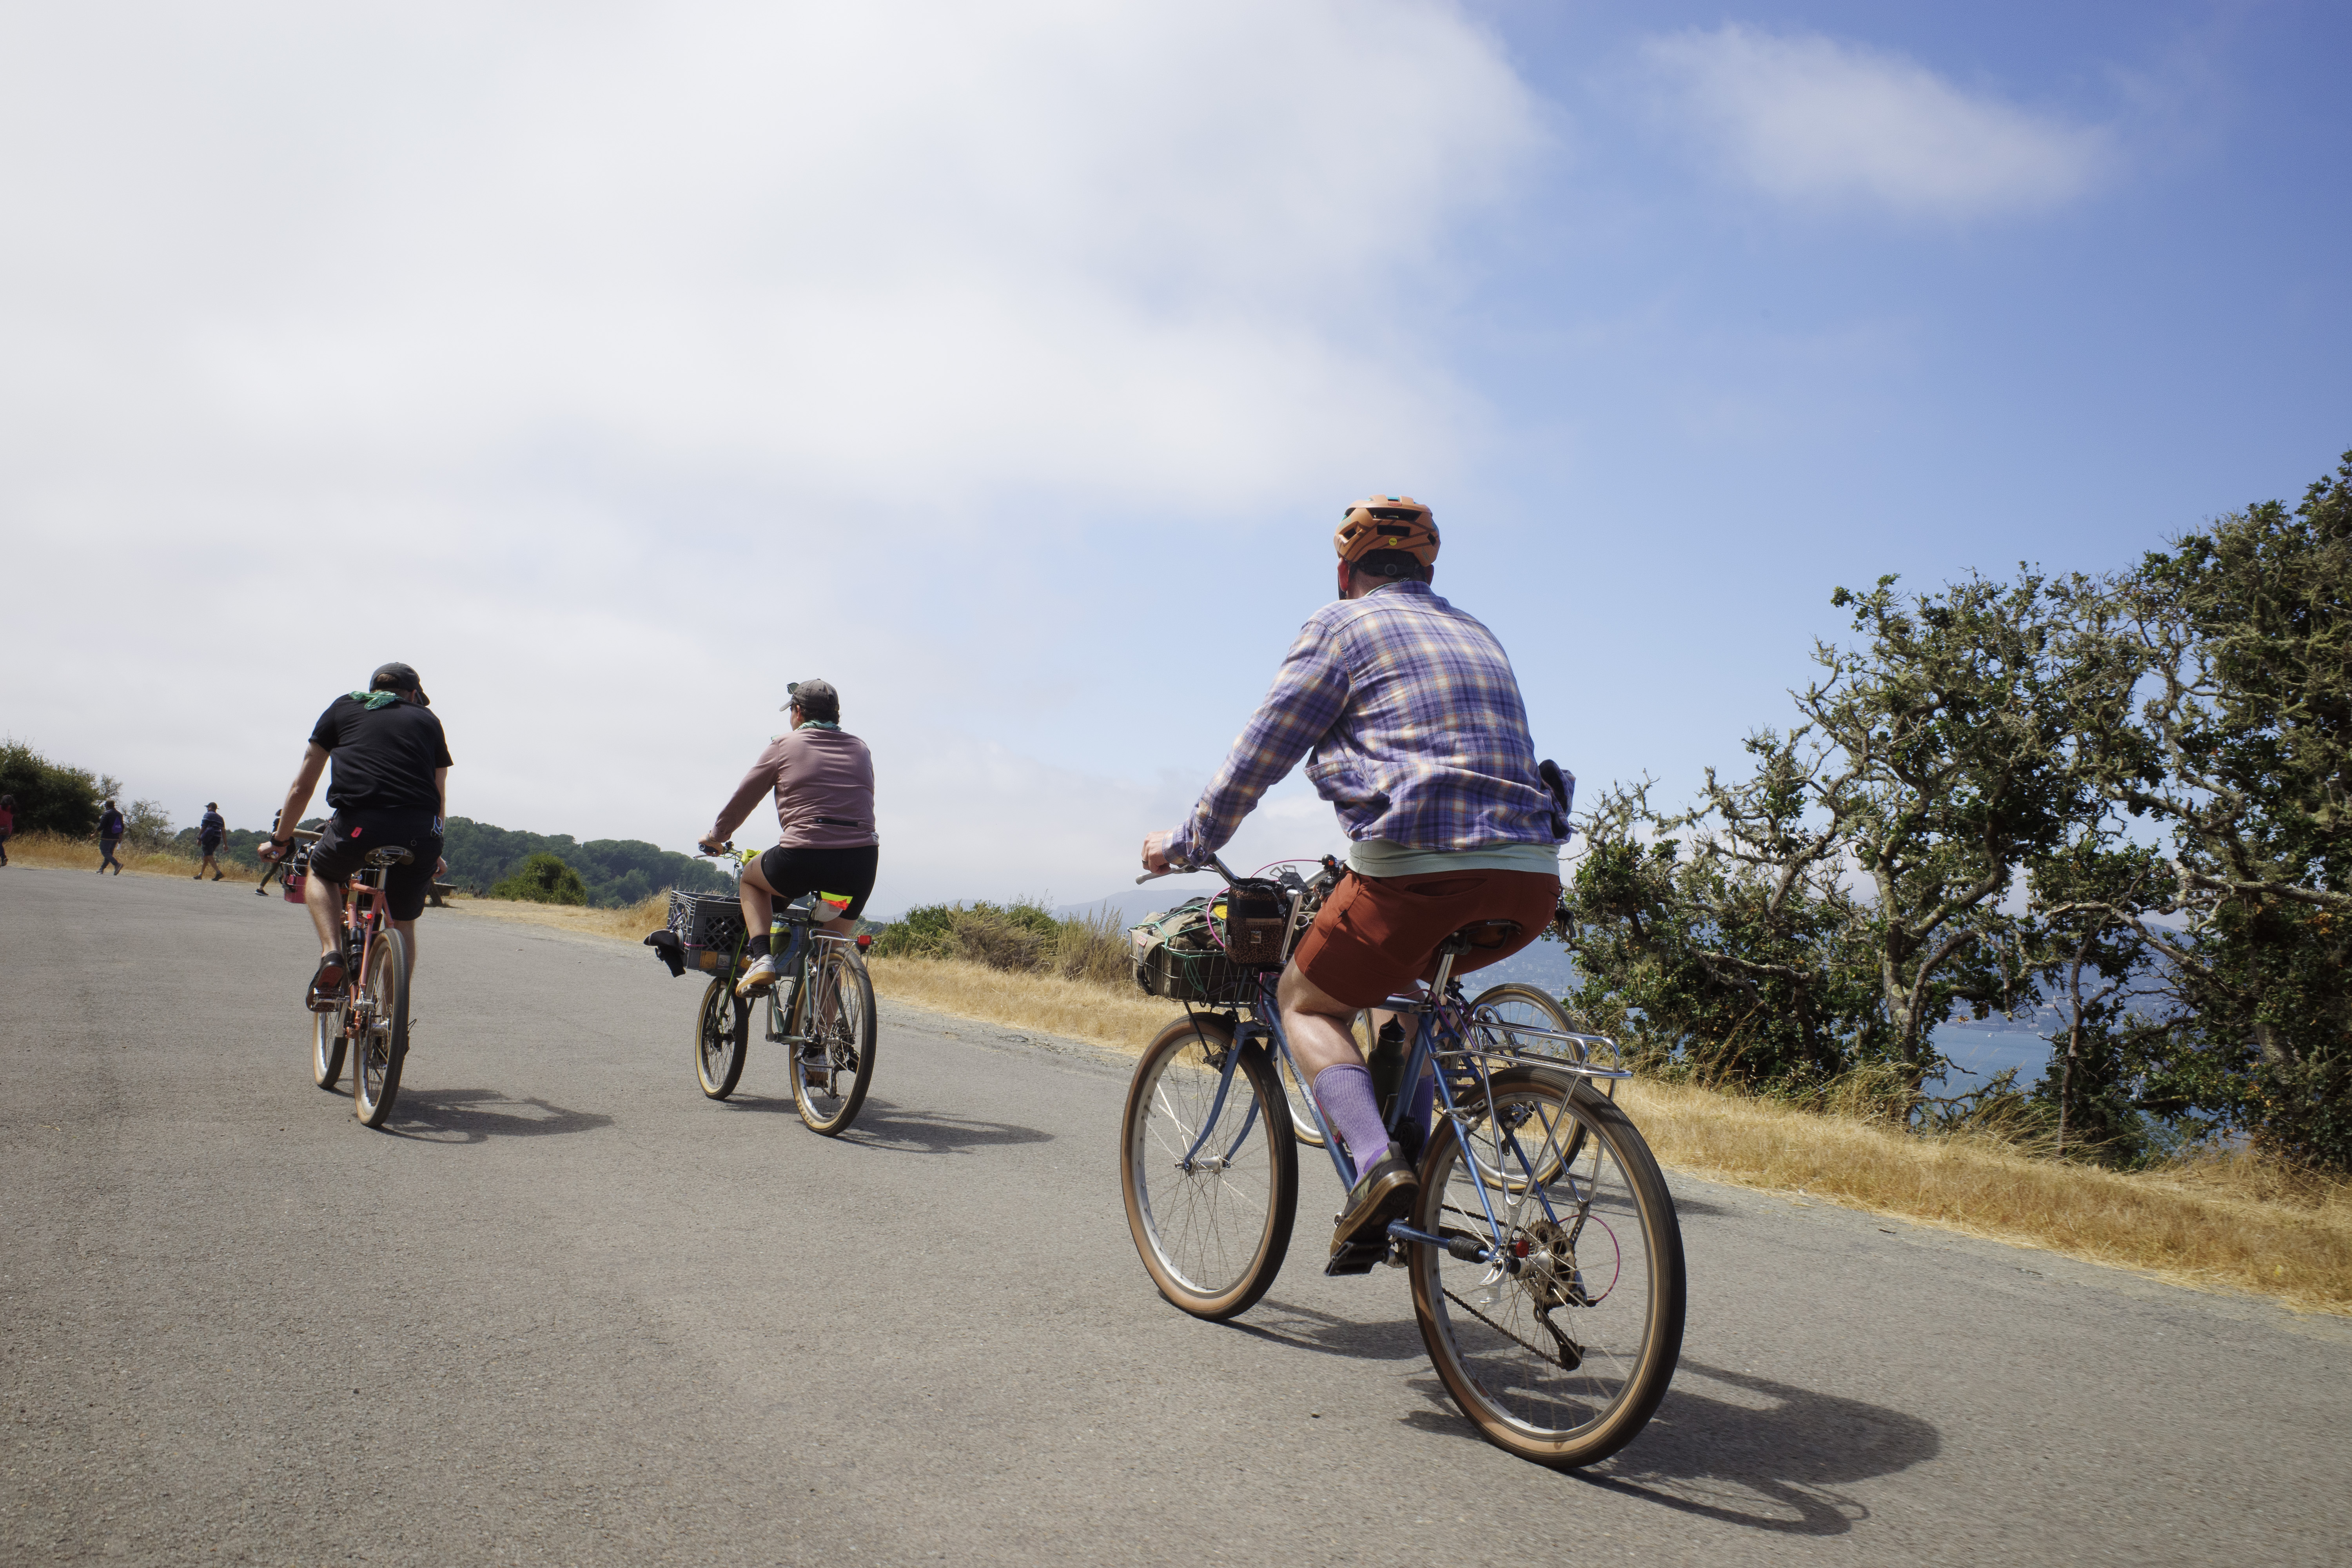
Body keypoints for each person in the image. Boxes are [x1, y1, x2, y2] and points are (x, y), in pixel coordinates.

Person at [1141, 496, 1566, 1259]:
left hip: (1416, 869)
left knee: (1304, 999)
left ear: (1346, 571)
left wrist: (1186, 842)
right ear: (1428, 569)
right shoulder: (1478, 631)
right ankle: (1413, 1179)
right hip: (1532, 875)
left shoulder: (1339, 627)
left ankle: (1377, 1169)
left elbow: (1258, 755)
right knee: (1401, 991)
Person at [256, 662, 452, 1008]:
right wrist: (432, 848)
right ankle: (391, 1024)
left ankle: (332, 953)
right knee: (403, 922)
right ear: (413, 695)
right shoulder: (429, 721)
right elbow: (438, 794)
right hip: (421, 833)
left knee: (322, 870)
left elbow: (303, 785)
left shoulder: (344, 707)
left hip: (361, 824)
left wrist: (281, 839)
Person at [698, 679, 879, 1009]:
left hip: (802, 857)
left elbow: (744, 799)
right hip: (859, 864)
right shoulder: (861, 748)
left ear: (797, 712)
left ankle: (762, 958)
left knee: (752, 879)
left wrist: (717, 837)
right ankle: (818, 1053)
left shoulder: (783, 745)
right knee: (831, 950)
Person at [195, 802, 228, 881]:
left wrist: (199, 838)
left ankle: (218, 872)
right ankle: (201, 874)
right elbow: (223, 831)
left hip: (208, 837)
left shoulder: (208, 815)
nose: (207, 809)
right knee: (207, 856)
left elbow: (204, 827)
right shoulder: (221, 818)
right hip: (217, 838)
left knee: (209, 855)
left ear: (210, 807)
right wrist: (225, 844)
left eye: (208, 807)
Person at [97, 800, 125, 875]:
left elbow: (101, 826)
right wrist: (120, 837)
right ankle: (102, 869)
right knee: (109, 854)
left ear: (107, 805)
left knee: (105, 852)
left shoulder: (107, 814)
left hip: (107, 837)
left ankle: (117, 864)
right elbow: (122, 826)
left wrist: (95, 834)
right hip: (116, 837)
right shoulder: (119, 814)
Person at [0, 794, 15, 866]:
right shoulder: (12, 810)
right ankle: (3, 858)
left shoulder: (0, 809)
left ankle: (3, 857)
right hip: (7, 830)